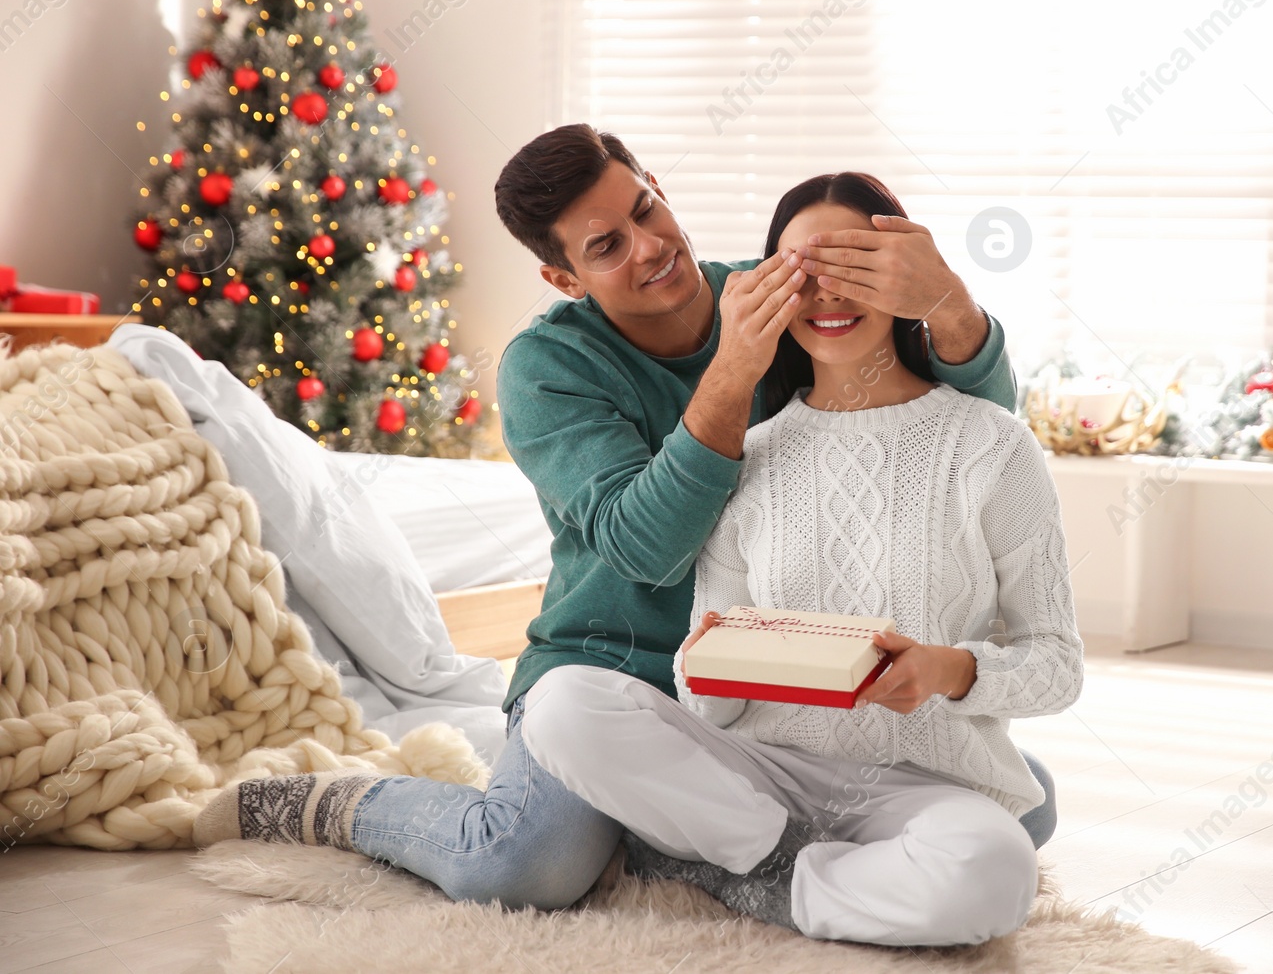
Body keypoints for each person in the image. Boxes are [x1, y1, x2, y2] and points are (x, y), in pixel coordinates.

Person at [192, 126, 1056, 911]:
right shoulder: (547, 366)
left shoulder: (759, 295)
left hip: (771, 696)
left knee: (1026, 802)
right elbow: (646, 548)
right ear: (563, 277)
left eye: (647, 209)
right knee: (527, 866)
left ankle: (684, 840)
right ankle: (341, 803)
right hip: (613, 675)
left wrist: (944, 301)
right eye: (608, 246)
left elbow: (960, 425)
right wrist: (734, 369)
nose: (651, 248)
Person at [520, 172, 1084, 946]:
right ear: (768, 291)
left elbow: (1056, 661)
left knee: (996, 868)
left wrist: (947, 669)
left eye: (855, 264)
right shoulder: (744, 454)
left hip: (918, 782)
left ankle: (754, 877)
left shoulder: (991, 445)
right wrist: (710, 662)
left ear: (904, 274)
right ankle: (779, 861)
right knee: (561, 706)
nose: (828, 292)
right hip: (764, 772)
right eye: (802, 272)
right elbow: (700, 696)